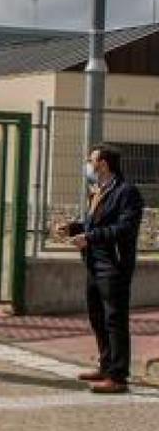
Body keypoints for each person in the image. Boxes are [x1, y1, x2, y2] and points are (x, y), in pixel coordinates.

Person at [58, 144, 144, 394]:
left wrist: (90, 238)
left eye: (91, 160)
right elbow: (94, 223)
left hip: (113, 265)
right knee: (97, 317)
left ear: (103, 164)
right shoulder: (98, 190)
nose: (88, 164)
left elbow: (124, 228)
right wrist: (75, 228)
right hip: (94, 263)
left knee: (115, 319)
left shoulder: (127, 192)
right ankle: (106, 366)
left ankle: (118, 377)